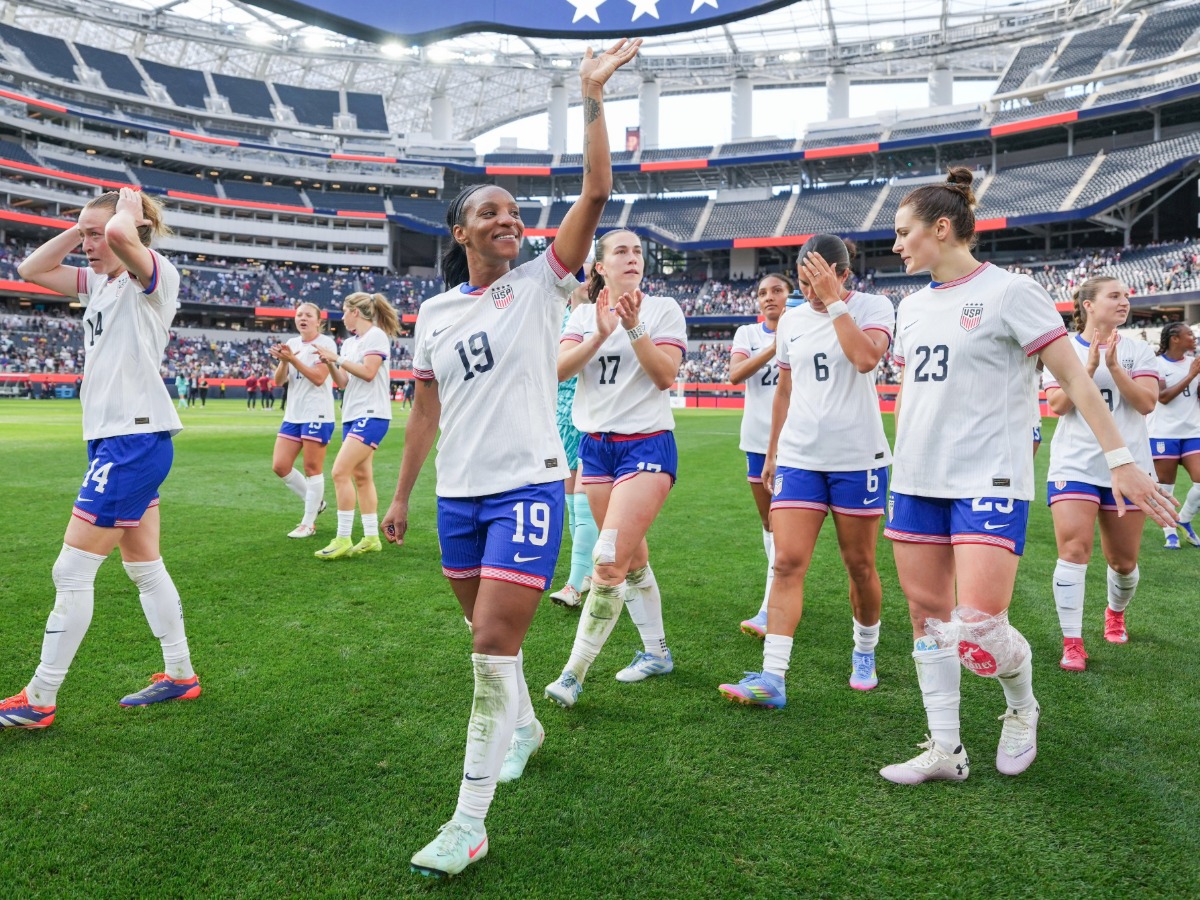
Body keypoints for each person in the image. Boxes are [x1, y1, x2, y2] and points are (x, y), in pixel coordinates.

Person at [381, 38, 639, 878]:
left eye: (512, 210)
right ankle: (523, 728)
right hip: (458, 495)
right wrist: (401, 495)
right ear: (460, 233)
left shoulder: (539, 282)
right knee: (487, 640)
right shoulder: (433, 315)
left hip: (525, 488)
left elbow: (597, 191)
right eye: (488, 212)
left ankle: (469, 821)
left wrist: (591, 94)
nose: (506, 218)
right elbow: (424, 409)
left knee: (490, 652)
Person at [878, 168, 1174, 785]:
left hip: (988, 477)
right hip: (915, 480)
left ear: (941, 228)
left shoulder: (1011, 291)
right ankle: (946, 750)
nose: (897, 245)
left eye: (905, 233)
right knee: (930, 624)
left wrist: (1121, 458)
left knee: (980, 628)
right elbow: (909, 393)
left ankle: (1022, 708)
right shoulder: (910, 305)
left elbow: (1071, 379)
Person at [1, 187, 199, 729]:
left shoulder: (152, 275)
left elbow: (117, 236)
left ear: (133, 231)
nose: (86, 244)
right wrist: (84, 226)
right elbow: (31, 267)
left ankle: (39, 698)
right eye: (82, 235)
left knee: (71, 570)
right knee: (144, 566)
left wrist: (123, 214)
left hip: (131, 442)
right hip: (117, 440)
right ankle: (180, 675)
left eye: (94, 235)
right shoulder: (104, 283)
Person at [719, 238, 893, 708]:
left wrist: (834, 301)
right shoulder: (793, 319)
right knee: (786, 562)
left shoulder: (874, 306)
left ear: (842, 274)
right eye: (803, 281)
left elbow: (865, 358)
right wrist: (773, 451)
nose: (809, 292)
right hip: (799, 457)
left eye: (819, 280)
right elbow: (784, 391)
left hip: (858, 458)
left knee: (859, 565)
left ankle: (864, 649)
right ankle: (773, 677)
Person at [543, 227, 687, 706]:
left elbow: (666, 375)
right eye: (620, 251)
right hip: (596, 449)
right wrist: (601, 332)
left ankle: (573, 674)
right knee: (632, 559)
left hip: (646, 444)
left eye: (638, 251)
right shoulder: (583, 314)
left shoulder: (664, 309)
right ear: (600, 266)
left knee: (607, 562)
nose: (632, 257)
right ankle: (657, 652)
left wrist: (633, 327)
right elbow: (559, 369)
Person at [1044, 277, 1159, 671]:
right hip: (1075, 464)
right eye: (1115, 295)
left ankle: (1115, 612)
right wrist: (1089, 366)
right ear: (1088, 305)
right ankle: (1072, 641)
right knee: (1074, 552)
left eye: (1126, 296)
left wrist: (1113, 366)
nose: (1124, 302)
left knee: (1123, 562)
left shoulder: (1139, 349)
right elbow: (1058, 405)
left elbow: (1146, 403)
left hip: (1128, 468)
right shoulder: (1065, 350)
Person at [312, 292, 399, 559]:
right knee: (361, 477)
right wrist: (331, 362)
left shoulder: (376, 335)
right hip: (353, 413)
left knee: (339, 472)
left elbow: (370, 373)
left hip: (372, 414)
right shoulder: (350, 343)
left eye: (344, 310)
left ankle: (342, 537)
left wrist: (336, 359)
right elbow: (345, 382)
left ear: (355, 312)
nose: (342, 316)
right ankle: (372, 537)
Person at [728, 272, 789, 639]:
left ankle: (770, 608)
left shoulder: (804, 328)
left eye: (777, 290)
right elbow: (736, 374)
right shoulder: (747, 335)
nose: (769, 297)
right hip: (755, 443)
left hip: (794, 444)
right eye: (763, 293)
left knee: (783, 528)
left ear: (789, 295)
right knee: (768, 525)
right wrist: (774, 348)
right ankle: (779, 591)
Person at [547, 278, 599, 610]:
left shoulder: (596, 317)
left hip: (589, 413)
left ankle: (575, 583)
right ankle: (589, 571)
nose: (586, 282)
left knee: (582, 499)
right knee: (571, 501)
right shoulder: (556, 319)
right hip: (558, 417)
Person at [269, 301, 336, 538]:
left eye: (308, 315)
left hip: (316, 412)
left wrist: (294, 360)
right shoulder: (292, 343)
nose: (302, 318)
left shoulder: (326, 343)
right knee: (280, 465)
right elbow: (278, 382)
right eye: (299, 315)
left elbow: (319, 377)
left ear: (319, 321)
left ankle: (309, 523)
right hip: (294, 413)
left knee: (312, 468)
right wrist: (283, 360)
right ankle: (315, 502)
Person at [1149, 322, 1200, 548]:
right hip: (1163, 433)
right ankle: (1170, 533)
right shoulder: (1157, 364)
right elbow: (1163, 397)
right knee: (1165, 489)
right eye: (1189, 334)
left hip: (1193, 431)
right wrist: (1191, 376)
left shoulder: (1194, 363)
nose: (1194, 337)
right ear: (1175, 339)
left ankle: (1185, 521)